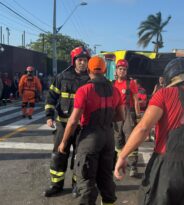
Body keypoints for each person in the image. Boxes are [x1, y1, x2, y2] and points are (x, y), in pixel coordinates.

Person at [115, 58, 184, 205]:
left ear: (171, 77)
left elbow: (143, 128)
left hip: (167, 170)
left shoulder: (164, 94)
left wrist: (123, 156)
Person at [58, 56, 125, 205]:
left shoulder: (84, 90)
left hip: (90, 138)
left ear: (88, 70)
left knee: (87, 179)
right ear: (105, 70)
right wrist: (105, 120)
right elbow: (121, 115)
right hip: (108, 138)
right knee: (106, 177)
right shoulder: (115, 91)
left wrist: (63, 142)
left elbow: (74, 120)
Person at [44, 46, 91, 197]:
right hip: (63, 125)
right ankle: (56, 185)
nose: (82, 63)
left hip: (82, 127)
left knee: (80, 157)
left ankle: (77, 185)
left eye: (85, 60)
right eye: (80, 60)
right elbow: (51, 96)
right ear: (74, 61)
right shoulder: (62, 77)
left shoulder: (91, 79)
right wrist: (49, 115)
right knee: (59, 154)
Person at [113, 59, 142, 177]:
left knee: (131, 138)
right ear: (116, 70)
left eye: (124, 69)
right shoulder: (112, 84)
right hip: (116, 112)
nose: (122, 71)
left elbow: (136, 100)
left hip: (128, 112)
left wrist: (138, 116)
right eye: (120, 69)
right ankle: (120, 162)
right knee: (118, 138)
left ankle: (133, 166)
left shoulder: (131, 83)